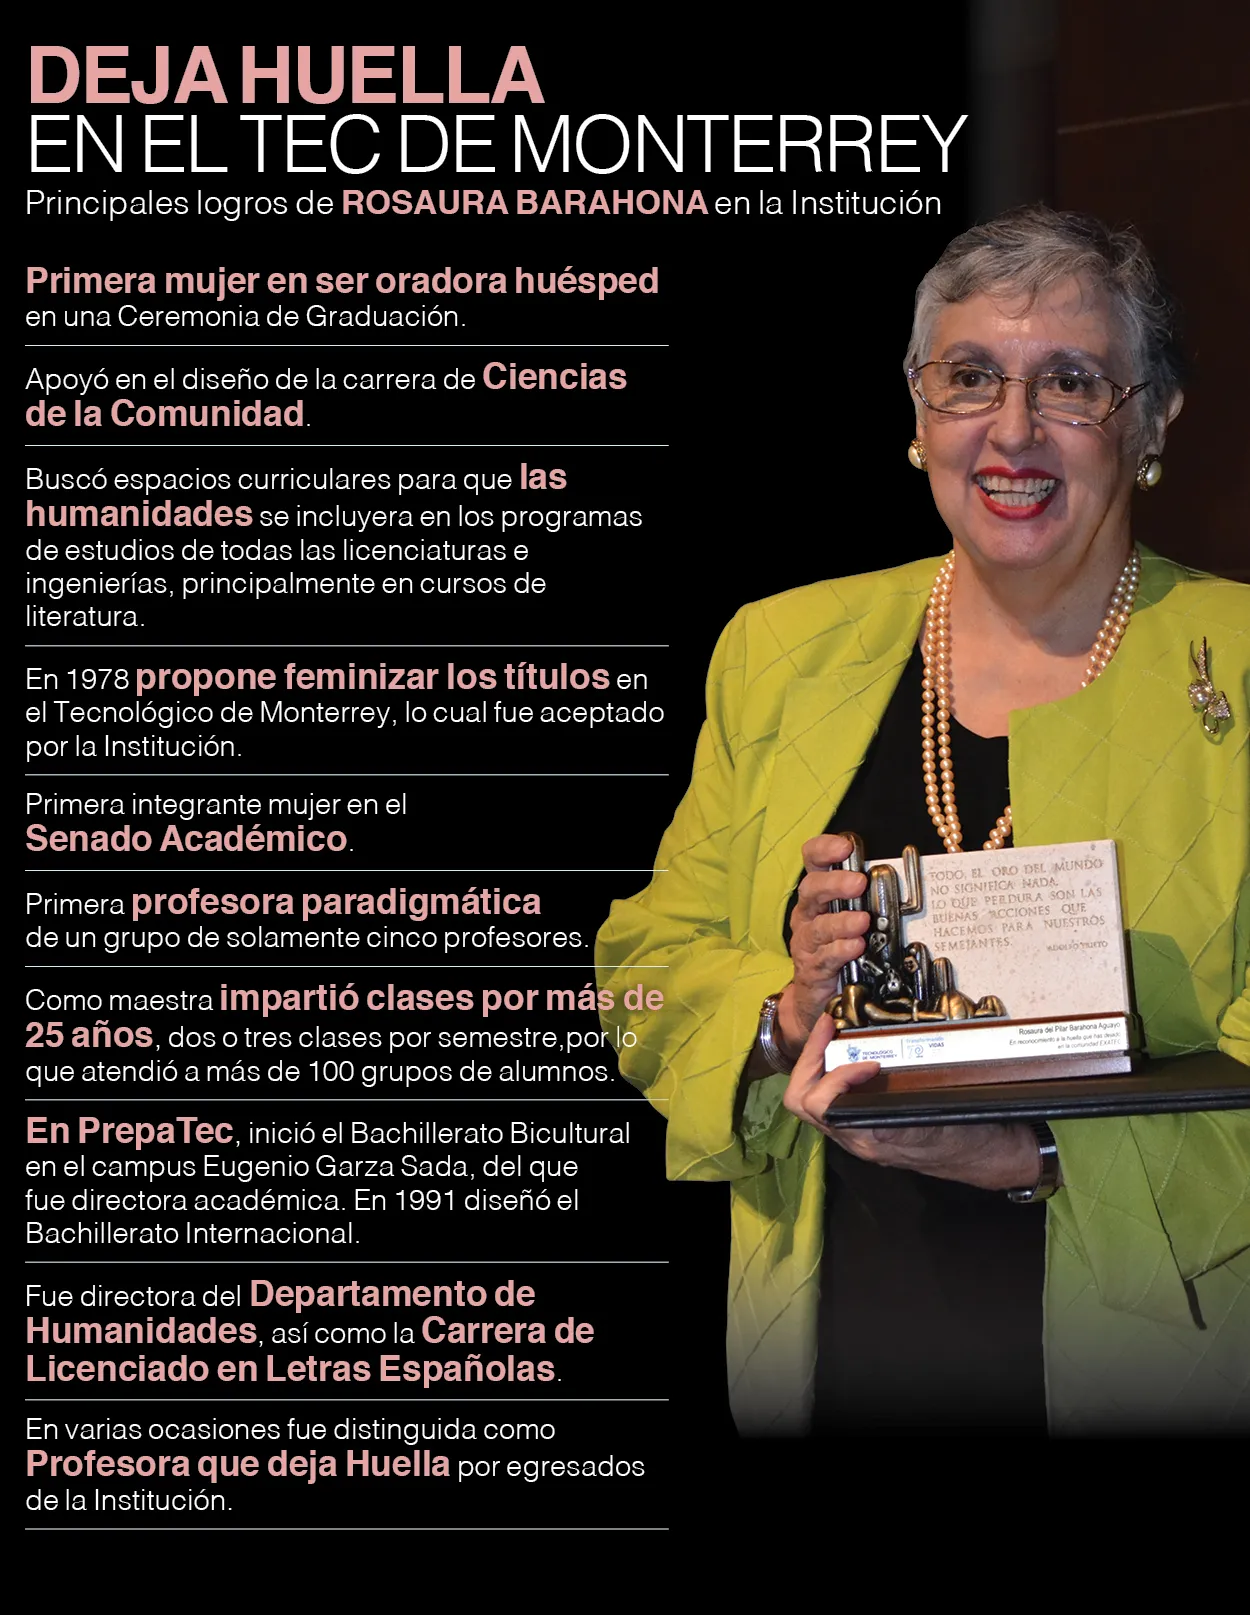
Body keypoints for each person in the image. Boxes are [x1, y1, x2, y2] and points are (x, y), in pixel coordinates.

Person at [595, 205, 1249, 1438]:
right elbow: (642, 967)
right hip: (828, 1353)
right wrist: (777, 1014)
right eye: (969, 377)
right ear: (915, 408)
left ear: (1152, 418)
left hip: (1157, 1351)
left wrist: (1036, 1155)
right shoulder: (779, 652)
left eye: (1070, 381)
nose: (1011, 429)